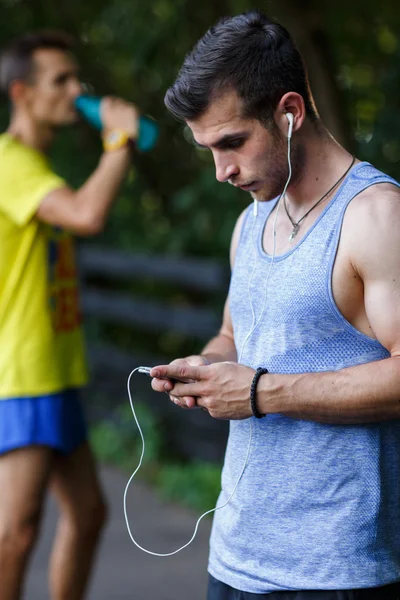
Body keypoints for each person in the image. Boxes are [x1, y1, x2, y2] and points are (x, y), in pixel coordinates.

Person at [150, 10, 400, 600]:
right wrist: (208, 367)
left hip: (337, 573)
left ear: (289, 112)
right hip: (235, 556)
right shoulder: (250, 218)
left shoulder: (376, 216)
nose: (221, 171)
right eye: (207, 149)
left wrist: (261, 392)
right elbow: (235, 338)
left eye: (232, 142)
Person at [0, 31, 140, 600]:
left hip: (56, 370)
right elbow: (85, 214)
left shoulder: (35, 166)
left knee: (86, 513)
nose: (74, 90)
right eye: (59, 79)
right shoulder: (10, 163)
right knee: (16, 530)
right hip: (23, 373)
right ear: (23, 93)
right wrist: (118, 142)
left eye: (75, 78)